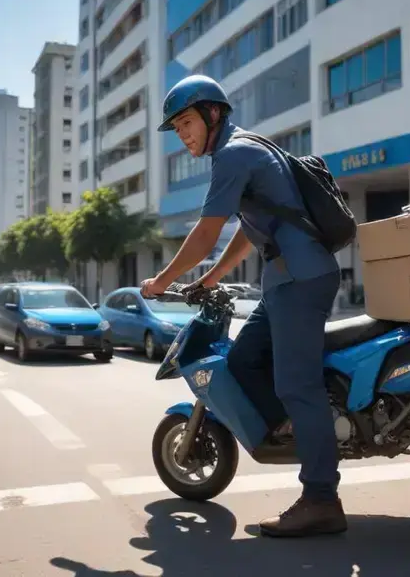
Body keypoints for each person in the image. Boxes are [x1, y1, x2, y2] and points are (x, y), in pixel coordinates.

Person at [140, 75, 344, 538]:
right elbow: (247, 231)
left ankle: (321, 499)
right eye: (176, 129)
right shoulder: (249, 149)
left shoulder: (234, 154)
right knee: (242, 359)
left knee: (299, 386)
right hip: (283, 281)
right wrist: (209, 278)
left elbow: (206, 233)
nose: (183, 135)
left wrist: (161, 282)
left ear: (213, 114)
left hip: (301, 280)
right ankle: (291, 431)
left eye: (187, 122)